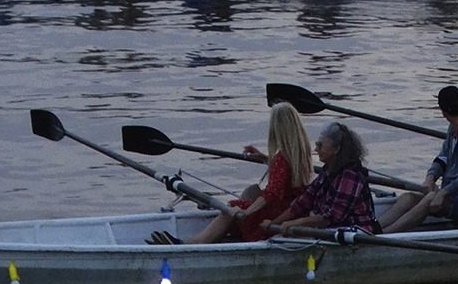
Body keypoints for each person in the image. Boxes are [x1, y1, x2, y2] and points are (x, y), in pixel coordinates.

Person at [161, 103, 315, 244]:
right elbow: (286, 172)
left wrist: (247, 212)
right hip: (295, 209)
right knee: (250, 193)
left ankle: (192, 243)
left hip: (279, 213)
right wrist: (264, 158)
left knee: (231, 208)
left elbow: (273, 193)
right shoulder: (300, 152)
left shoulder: (282, 158)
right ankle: (221, 233)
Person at [378, 86, 458, 232]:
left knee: (431, 198)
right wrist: (431, 177)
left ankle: (382, 236)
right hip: (457, 195)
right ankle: (372, 228)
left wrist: (444, 192)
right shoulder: (454, 128)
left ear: (443, 112)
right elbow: (444, 157)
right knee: (408, 198)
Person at [265, 121, 377, 235]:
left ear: (336, 149)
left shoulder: (350, 175)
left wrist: (295, 223)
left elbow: (332, 216)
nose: (316, 149)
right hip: (333, 229)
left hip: (356, 230)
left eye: (320, 145)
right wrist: (274, 223)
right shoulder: (328, 170)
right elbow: (302, 202)